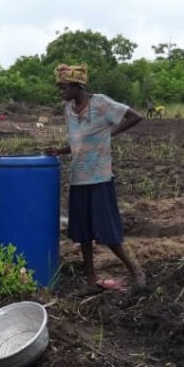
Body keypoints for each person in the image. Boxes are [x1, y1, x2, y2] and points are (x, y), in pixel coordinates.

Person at [45, 63, 145, 292]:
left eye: (64, 87)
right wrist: (60, 151)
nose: (61, 92)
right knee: (83, 233)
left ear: (77, 85)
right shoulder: (68, 110)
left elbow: (134, 116)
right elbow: (78, 141)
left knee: (107, 231)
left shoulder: (100, 103)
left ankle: (137, 271)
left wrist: (110, 134)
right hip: (78, 178)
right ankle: (91, 281)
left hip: (99, 177)